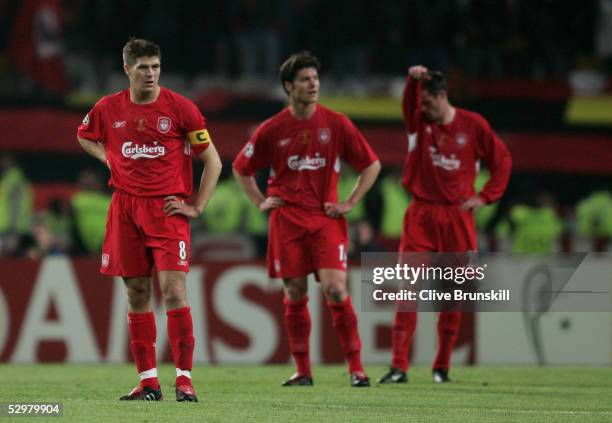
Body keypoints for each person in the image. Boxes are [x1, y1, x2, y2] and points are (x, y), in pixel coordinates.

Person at [76, 38, 222, 401]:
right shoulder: (108, 108)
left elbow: (213, 161)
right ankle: (148, 381)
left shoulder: (181, 108)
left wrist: (197, 206)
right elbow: (83, 135)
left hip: (167, 210)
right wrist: (108, 156)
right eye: (143, 67)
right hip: (125, 209)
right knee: (136, 292)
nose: (151, 74)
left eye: (156, 66)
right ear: (127, 68)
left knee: (173, 291)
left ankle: (185, 380)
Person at [233, 51, 381, 387]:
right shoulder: (272, 129)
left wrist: (350, 202)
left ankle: (357, 369)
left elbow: (371, 165)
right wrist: (259, 201)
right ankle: (302, 370)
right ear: (289, 86)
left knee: (335, 289)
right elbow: (241, 168)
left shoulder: (337, 123)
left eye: (315, 78)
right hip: (286, 220)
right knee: (295, 292)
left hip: (325, 218)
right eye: (305, 79)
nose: (313, 84)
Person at [378, 66, 512, 384]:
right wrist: (412, 81)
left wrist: (485, 197)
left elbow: (503, 161)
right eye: (420, 104)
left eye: (427, 102)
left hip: (457, 217)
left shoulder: (474, 126)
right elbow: (409, 104)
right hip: (421, 215)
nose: (422, 109)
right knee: (407, 289)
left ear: (442, 96)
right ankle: (399, 366)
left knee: (452, 294)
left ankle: (442, 366)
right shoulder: (418, 125)